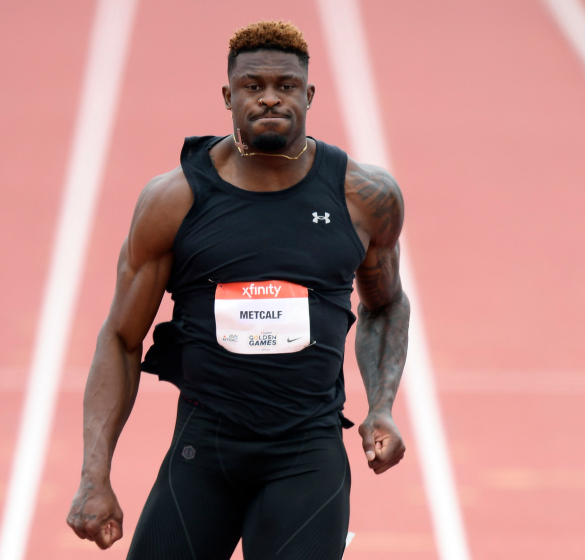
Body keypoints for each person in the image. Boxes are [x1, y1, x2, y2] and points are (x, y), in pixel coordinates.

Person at [67, 20, 409, 560]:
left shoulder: (364, 197)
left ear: (309, 94)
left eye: (286, 86)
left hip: (306, 453)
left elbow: (386, 305)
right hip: (206, 450)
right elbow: (121, 338)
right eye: (253, 87)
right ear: (228, 96)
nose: (270, 98)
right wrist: (94, 474)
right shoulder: (173, 201)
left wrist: (382, 405)